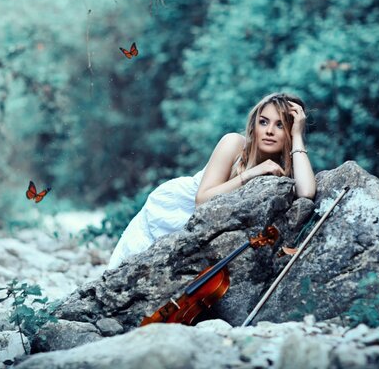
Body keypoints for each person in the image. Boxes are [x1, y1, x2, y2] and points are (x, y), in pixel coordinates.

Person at [107, 92, 316, 269]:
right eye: (263, 122)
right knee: (127, 272)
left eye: (280, 125)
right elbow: (202, 201)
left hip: (204, 232)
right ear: (254, 125)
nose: (269, 130)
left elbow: (306, 192)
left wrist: (297, 135)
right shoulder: (234, 143)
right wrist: (252, 173)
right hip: (174, 209)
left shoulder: (287, 166)